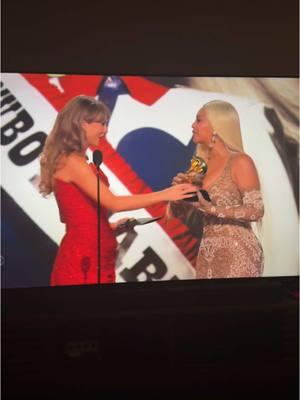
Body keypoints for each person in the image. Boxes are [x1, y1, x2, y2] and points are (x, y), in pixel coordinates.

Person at [39, 95, 197, 285]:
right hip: (85, 259)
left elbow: (72, 217)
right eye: (102, 124)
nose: (105, 130)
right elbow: (113, 203)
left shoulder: (78, 160)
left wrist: (111, 228)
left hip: (96, 256)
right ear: (82, 124)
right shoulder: (72, 161)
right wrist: (166, 194)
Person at [171, 100, 264, 278]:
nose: (193, 125)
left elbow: (256, 210)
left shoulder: (240, 161)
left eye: (198, 120)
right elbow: (181, 215)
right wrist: (178, 196)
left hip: (238, 252)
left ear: (217, 125)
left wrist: (212, 209)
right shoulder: (199, 167)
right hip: (207, 254)